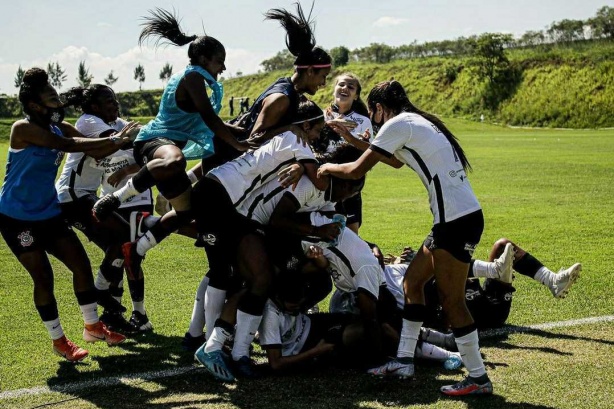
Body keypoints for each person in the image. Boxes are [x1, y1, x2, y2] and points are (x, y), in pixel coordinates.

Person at [318, 80, 492, 396]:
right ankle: (404, 360)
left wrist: (327, 165)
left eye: (373, 115)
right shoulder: (413, 121)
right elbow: (395, 161)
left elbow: (357, 171)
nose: (374, 122)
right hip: (453, 219)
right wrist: (348, 137)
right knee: (412, 283)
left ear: (380, 109)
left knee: (453, 302)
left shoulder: (397, 124)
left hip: (455, 222)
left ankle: (478, 378)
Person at [91, 8, 249, 278]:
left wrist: (249, 131)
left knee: (187, 214)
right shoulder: (192, 78)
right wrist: (240, 144)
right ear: (202, 58)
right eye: (219, 61)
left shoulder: (199, 78)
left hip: (166, 154)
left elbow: (216, 123)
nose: (223, 67)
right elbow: (211, 120)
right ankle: (114, 200)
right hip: (153, 142)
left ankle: (136, 250)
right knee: (176, 159)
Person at [0, 68, 135, 361]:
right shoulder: (22, 129)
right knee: (44, 278)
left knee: (81, 266)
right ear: (35, 105)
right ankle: (59, 341)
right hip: (16, 217)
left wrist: (120, 142)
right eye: (52, 97)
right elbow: (68, 146)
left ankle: (93, 326)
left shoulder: (59, 126)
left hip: (48, 212)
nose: (58, 101)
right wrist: (114, 141)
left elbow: (94, 152)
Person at [191, 100, 329, 381]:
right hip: (217, 198)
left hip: (227, 203)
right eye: (318, 130)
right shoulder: (298, 139)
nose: (317, 137)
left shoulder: (285, 136)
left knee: (258, 279)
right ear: (305, 126)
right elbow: (323, 181)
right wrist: (308, 166)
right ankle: (209, 345)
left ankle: (235, 352)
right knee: (227, 277)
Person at [55, 84, 155, 333]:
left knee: (119, 251)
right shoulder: (88, 122)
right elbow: (120, 142)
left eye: (115, 100)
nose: (115, 105)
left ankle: (111, 315)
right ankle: (100, 291)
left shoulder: (110, 121)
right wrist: (132, 140)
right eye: (109, 101)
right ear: (95, 107)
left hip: (84, 196)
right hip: (73, 197)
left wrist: (144, 136)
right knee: (123, 237)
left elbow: (137, 136)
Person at [316, 73, 373, 234]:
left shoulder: (363, 121)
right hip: (323, 181)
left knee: (351, 233)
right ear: (334, 89)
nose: (345, 88)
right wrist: (332, 124)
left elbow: (370, 151)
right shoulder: (320, 115)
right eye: (341, 84)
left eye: (350, 87)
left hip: (350, 184)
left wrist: (354, 139)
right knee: (323, 230)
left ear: (356, 96)